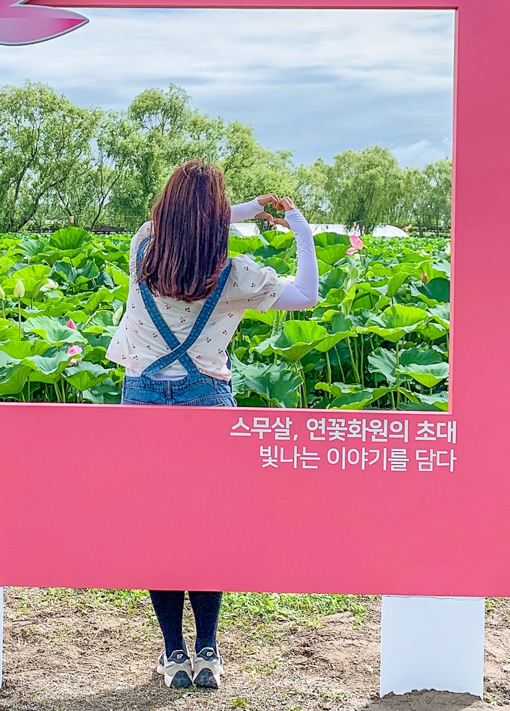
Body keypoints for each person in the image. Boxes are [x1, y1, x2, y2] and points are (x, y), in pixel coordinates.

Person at [106, 159, 319, 689]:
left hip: (143, 400)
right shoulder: (238, 274)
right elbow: (308, 294)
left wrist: (243, 209)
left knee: (159, 527)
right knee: (207, 526)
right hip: (209, 401)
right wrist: (299, 230)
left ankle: (173, 653)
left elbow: (181, 223)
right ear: (217, 217)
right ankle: (208, 651)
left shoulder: (143, 249)